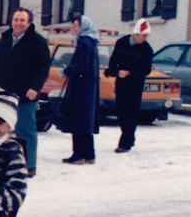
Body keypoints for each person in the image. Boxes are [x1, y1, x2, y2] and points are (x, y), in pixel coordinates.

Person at [0, 7, 52, 176]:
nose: (18, 23)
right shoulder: (5, 38)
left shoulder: (38, 41)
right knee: (0, 128)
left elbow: (43, 67)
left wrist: (35, 88)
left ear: (29, 23)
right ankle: (2, 162)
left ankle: (29, 164)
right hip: (4, 92)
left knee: (25, 129)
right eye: (16, 19)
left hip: (25, 94)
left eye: (22, 20)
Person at [105, 18, 154, 153]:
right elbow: (113, 61)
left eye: (147, 36)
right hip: (121, 83)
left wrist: (130, 72)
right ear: (136, 34)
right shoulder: (121, 43)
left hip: (135, 84)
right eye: (144, 35)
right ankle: (129, 137)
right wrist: (116, 71)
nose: (145, 38)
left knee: (131, 113)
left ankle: (124, 143)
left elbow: (146, 70)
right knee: (120, 112)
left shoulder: (146, 49)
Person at [58, 14, 101, 164]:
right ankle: (89, 154)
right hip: (89, 86)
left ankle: (79, 155)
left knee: (77, 118)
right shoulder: (92, 41)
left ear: (83, 26)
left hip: (80, 87)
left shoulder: (84, 42)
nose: (73, 29)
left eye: (75, 26)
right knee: (86, 119)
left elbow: (81, 66)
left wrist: (67, 71)